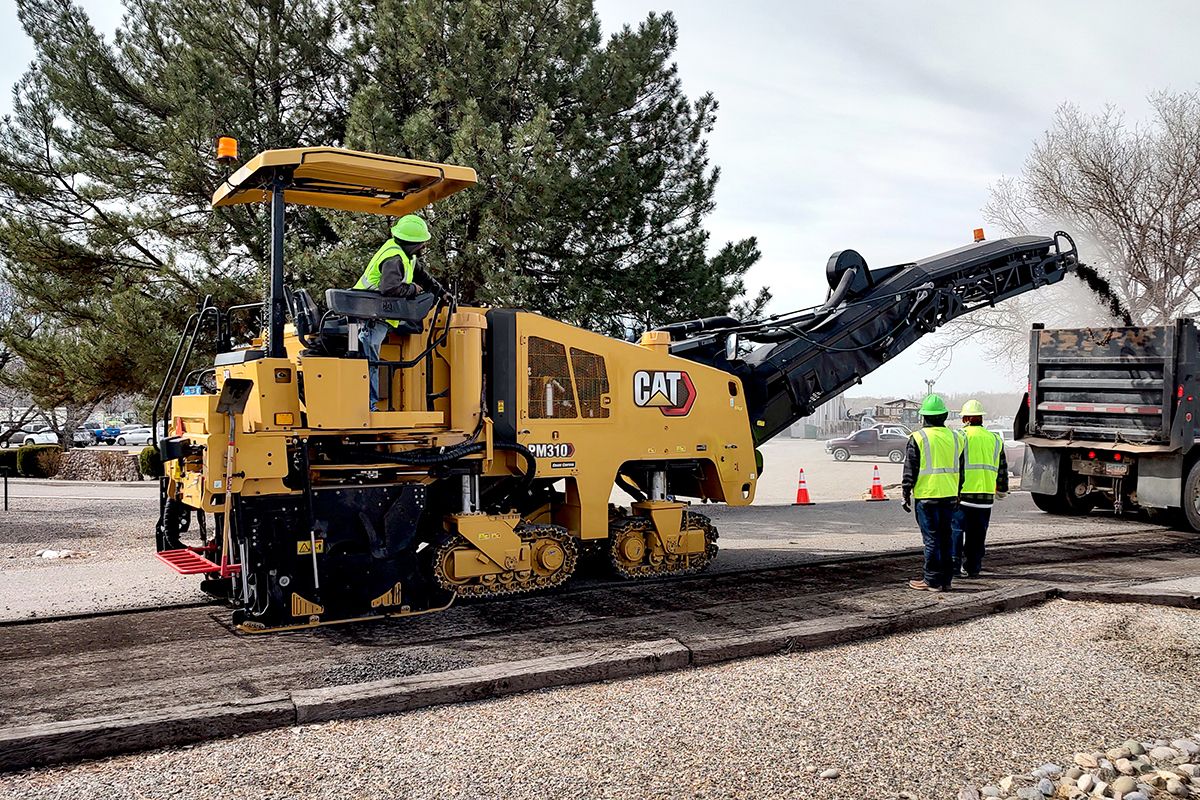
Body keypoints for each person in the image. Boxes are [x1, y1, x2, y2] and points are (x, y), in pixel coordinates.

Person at [352, 214, 447, 410]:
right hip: (369, 317)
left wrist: (442, 294)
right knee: (369, 362)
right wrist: (412, 289)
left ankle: (367, 405)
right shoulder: (394, 258)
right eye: (422, 243)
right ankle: (368, 407)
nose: (424, 247)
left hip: (372, 316)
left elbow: (424, 277)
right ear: (412, 243)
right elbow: (390, 289)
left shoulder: (406, 257)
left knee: (370, 361)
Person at [901, 394, 964, 592]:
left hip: (927, 496)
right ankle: (945, 580)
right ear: (944, 416)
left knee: (931, 540)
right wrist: (958, 492)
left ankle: (931, 580)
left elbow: (910, 469)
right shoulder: (956, 438)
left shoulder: (918, 438)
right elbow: (960, 469)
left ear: (924, 417)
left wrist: (905, 493)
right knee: (946, 539)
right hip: (949, 496)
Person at [952, 399, 1008, 578]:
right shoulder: (995, 439)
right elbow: (1002, 468)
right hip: (985, 498)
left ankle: (954, 567)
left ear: (966, 419)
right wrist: (1001, 489)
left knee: (957, 531)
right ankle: (974, 567)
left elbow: (957, 467)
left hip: (964, 496)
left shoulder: (961, 437)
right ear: (981, 419)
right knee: (977, 535)